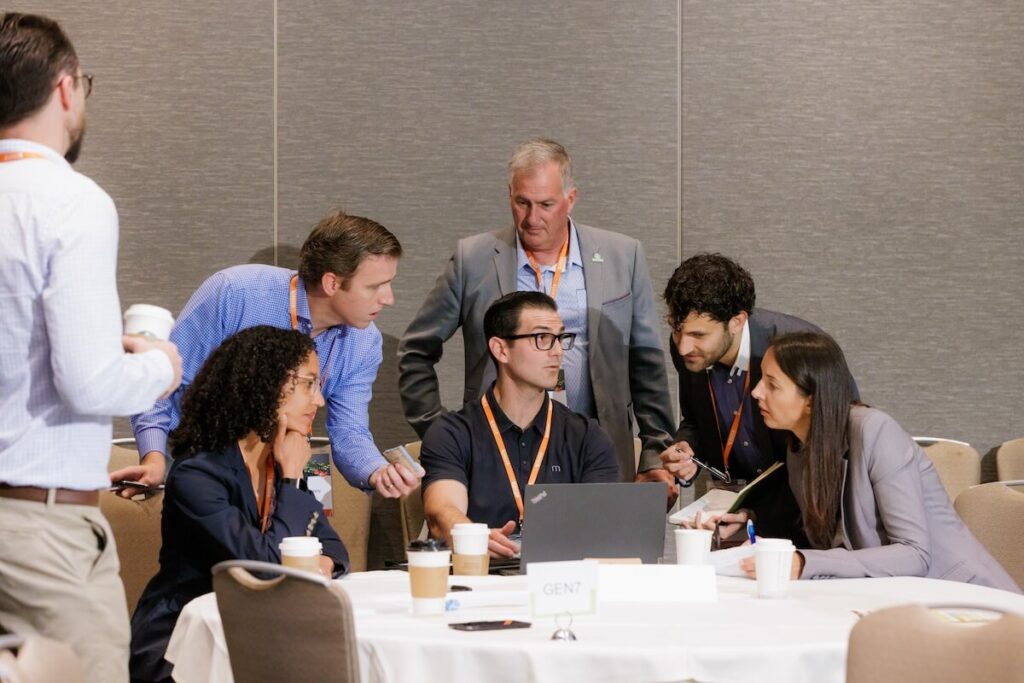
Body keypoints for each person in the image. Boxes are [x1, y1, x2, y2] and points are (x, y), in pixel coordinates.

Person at [0, 12, 182, 681]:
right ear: (66, 88)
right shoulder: (71, 201)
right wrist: (159, 365)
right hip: (39, 525)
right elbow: (88, 382)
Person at [398, 138, 674, 482]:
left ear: (570, 199)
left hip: (596, 450)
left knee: (600, 537)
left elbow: (647, 362)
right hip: (498, 450)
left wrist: (654, 454)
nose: (531, 218)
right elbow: (415, 351)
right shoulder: (475, 259)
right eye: (521, 203)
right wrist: (443, 431)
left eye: (545, 205)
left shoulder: (622, 255)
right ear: (510, 195)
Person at [124, 210, 421, 498]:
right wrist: (153, 458)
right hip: (202, 462)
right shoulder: (234, 293)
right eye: (375, 287)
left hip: (284, 470)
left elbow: (349, 429)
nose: (389, 298)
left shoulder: (364, 341)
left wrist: (377, 471)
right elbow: (159, 384)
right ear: (332, 283)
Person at [130, 326, 350, 682]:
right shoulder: (197, 476)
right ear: (269, 386)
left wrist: (319, 565)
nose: (319, 400)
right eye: (309, 383)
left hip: (261, 636)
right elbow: (262, 567)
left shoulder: (285, 460)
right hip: (185, 648)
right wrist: (293, 480)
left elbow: (335, 548)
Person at [732, 331, 1019, 592]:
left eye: (771, 384)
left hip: (960, 596)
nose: (756, 392)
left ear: (811, 398)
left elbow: (913, 554)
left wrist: (805, 562)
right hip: (889, 597)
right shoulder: (798, 446)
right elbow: (825, 540)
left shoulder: (875, 430)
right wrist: (759, 536)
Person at [653, 253, 855, 536]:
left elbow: (835, 451)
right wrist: (687, 449)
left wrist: (760, 516)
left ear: (737, 321)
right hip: (728, 514)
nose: (684, 347)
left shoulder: (799, 351)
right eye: (676, 330)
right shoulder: (688, 349)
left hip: (803, 519)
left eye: (699, 335)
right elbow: (696, 418)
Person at [420, 292, 620, 557]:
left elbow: (602, 522)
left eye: (560, 338)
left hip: (561, 581)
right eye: (542, 338)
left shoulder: (586, 436)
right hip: (480, 578)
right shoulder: (452, 433)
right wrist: (475, 539)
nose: (558, 351)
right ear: (501, 349)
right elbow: (441, 512)